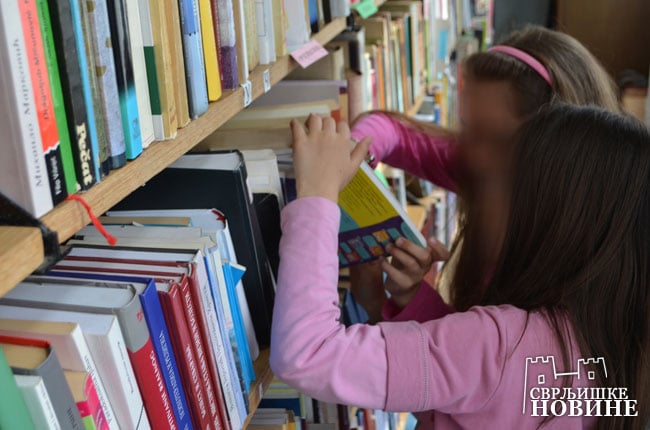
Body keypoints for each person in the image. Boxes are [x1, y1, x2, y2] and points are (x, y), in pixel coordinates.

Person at [270, 106, 650, 429]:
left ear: (548, 219)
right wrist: (415, 306)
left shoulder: (500, 344)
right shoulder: (618, 342)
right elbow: (480, 404)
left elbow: (308, 354)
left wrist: (318, 195)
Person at [347, 26, 621, 323]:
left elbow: (480, 360)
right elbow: (395, 132)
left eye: (496, 138)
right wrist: (357, 151)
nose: (470, 154)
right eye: (467, 127)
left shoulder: (580, 279)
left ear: (562, 150)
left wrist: (404, 299)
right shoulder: (486, 161)